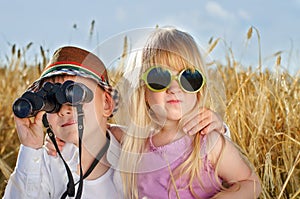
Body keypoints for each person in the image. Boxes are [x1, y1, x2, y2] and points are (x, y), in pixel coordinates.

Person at [116, 27, 262, 199]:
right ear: (143, 89)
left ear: (199, 89)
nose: (174, 88)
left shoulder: (208, 142)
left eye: (188, 78)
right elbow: (101, 130)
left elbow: (250, 183)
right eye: (160, 77)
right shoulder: (136, 144)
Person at [3, 46, 123, 199]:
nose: (63, 110)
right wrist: (30, 148)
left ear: (106, 103)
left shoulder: (133, 156)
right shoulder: (48, 162)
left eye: (74, 94)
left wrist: (130, 137)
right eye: (52, 101)